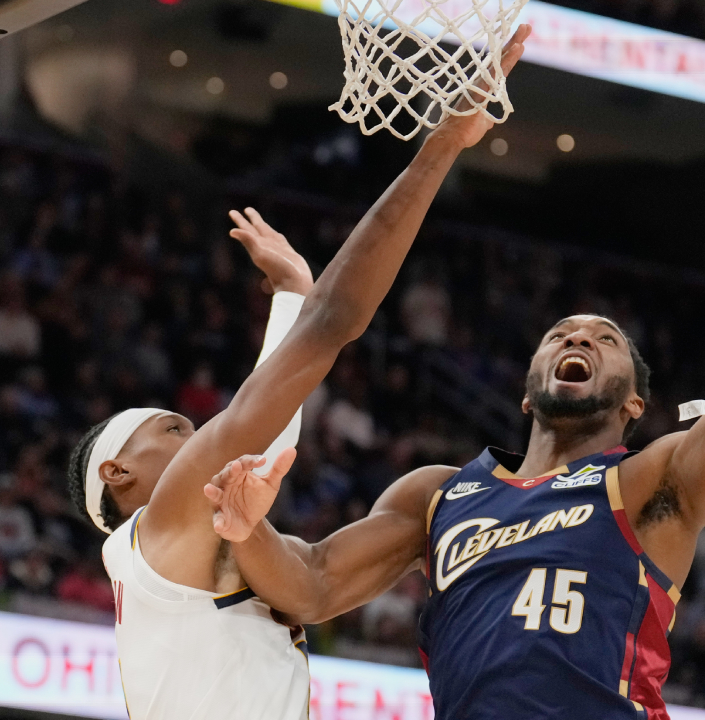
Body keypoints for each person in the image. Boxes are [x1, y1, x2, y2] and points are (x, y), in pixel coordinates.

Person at [206, 83, 705, 719]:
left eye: (604, 339)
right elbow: (313, 585)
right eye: (561, 334)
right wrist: (246, 530)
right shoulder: (437, 497)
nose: (577, 339)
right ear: (528, 392)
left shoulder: (654, 484)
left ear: (632, 404)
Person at [63, 26, 532, 720]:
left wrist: (291, 295)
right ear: (117, 473)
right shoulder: (155, 532)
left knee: (439, 501)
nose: (198, 436)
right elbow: (326, 337)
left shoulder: (189, 561)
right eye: (174, 429)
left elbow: (271, 434)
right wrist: (441, 146)